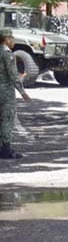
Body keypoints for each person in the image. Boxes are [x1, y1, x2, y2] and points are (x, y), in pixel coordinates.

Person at [0, 29, 31, 159]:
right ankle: (6, 150)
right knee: (7, 119)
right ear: (6, 39)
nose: (13, 41)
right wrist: (22, 92)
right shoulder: (7, 53)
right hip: (5, 92)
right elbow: (13, 75)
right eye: (11, 39)